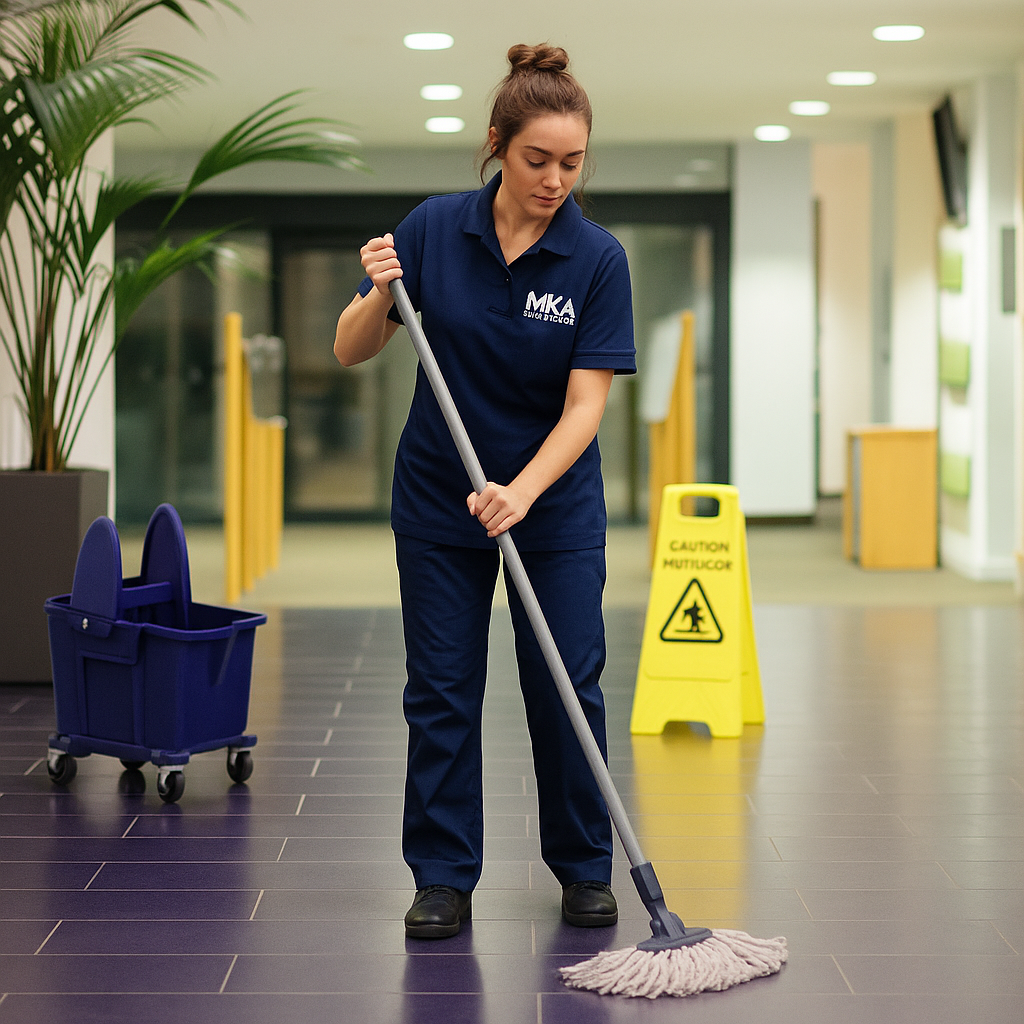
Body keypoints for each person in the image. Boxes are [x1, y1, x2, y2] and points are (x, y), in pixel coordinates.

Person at [334, 42, 636, 939]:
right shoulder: (433, 229)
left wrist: (524, 491)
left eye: (572, 163)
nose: (555, 179)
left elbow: (587, 406)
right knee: (441, 687)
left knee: (566, 684)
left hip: (553, 503)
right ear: (498, 145)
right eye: (537, 159)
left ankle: (584, 868)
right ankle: (441, 875)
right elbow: (355, 347)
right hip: (439, 495)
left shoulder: (597, 258)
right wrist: (375, 291)